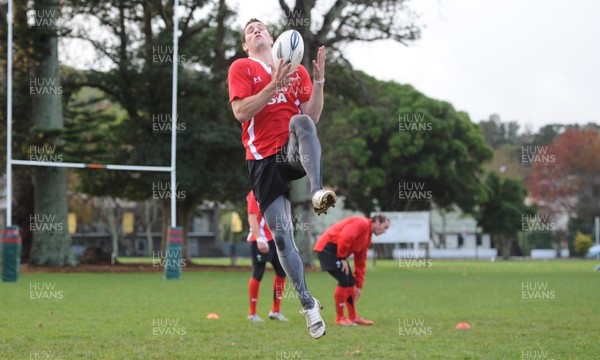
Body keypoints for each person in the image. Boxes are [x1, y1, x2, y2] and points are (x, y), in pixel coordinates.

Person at [228, 18, 335, 339]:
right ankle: (308, 304)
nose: (256, 31)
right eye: (250, 31)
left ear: (272, 38)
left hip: (289, 153)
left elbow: (312, 117)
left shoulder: (296, 69)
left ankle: (317, 191)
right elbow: (241, 113)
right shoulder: (242, 68)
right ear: (246, 45)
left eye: (261, 27)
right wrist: (273, 85)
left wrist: (318, 83)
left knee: (302, 121)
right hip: (261, 160)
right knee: (283, 239)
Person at [313, 214, 390, 326]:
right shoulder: (362, 222)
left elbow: (360, 262)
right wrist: (342, 257)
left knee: (351, 282)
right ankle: (340, 318)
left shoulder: (367, 237)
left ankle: (353, 317)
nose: (385, 231)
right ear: (377, 221)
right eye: (385, 227)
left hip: (338, 252)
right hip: (328, 249)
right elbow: (346, 236)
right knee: (344, 280)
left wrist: (359, 285)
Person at [246, 190, 288, 322]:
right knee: (258, 274)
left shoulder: (275, 193)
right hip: (260, 240)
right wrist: (259, 239)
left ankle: (275, 311)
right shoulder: (256, 193)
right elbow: (252, 217)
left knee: (282, 272)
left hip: (274, 239)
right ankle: (252, 313)